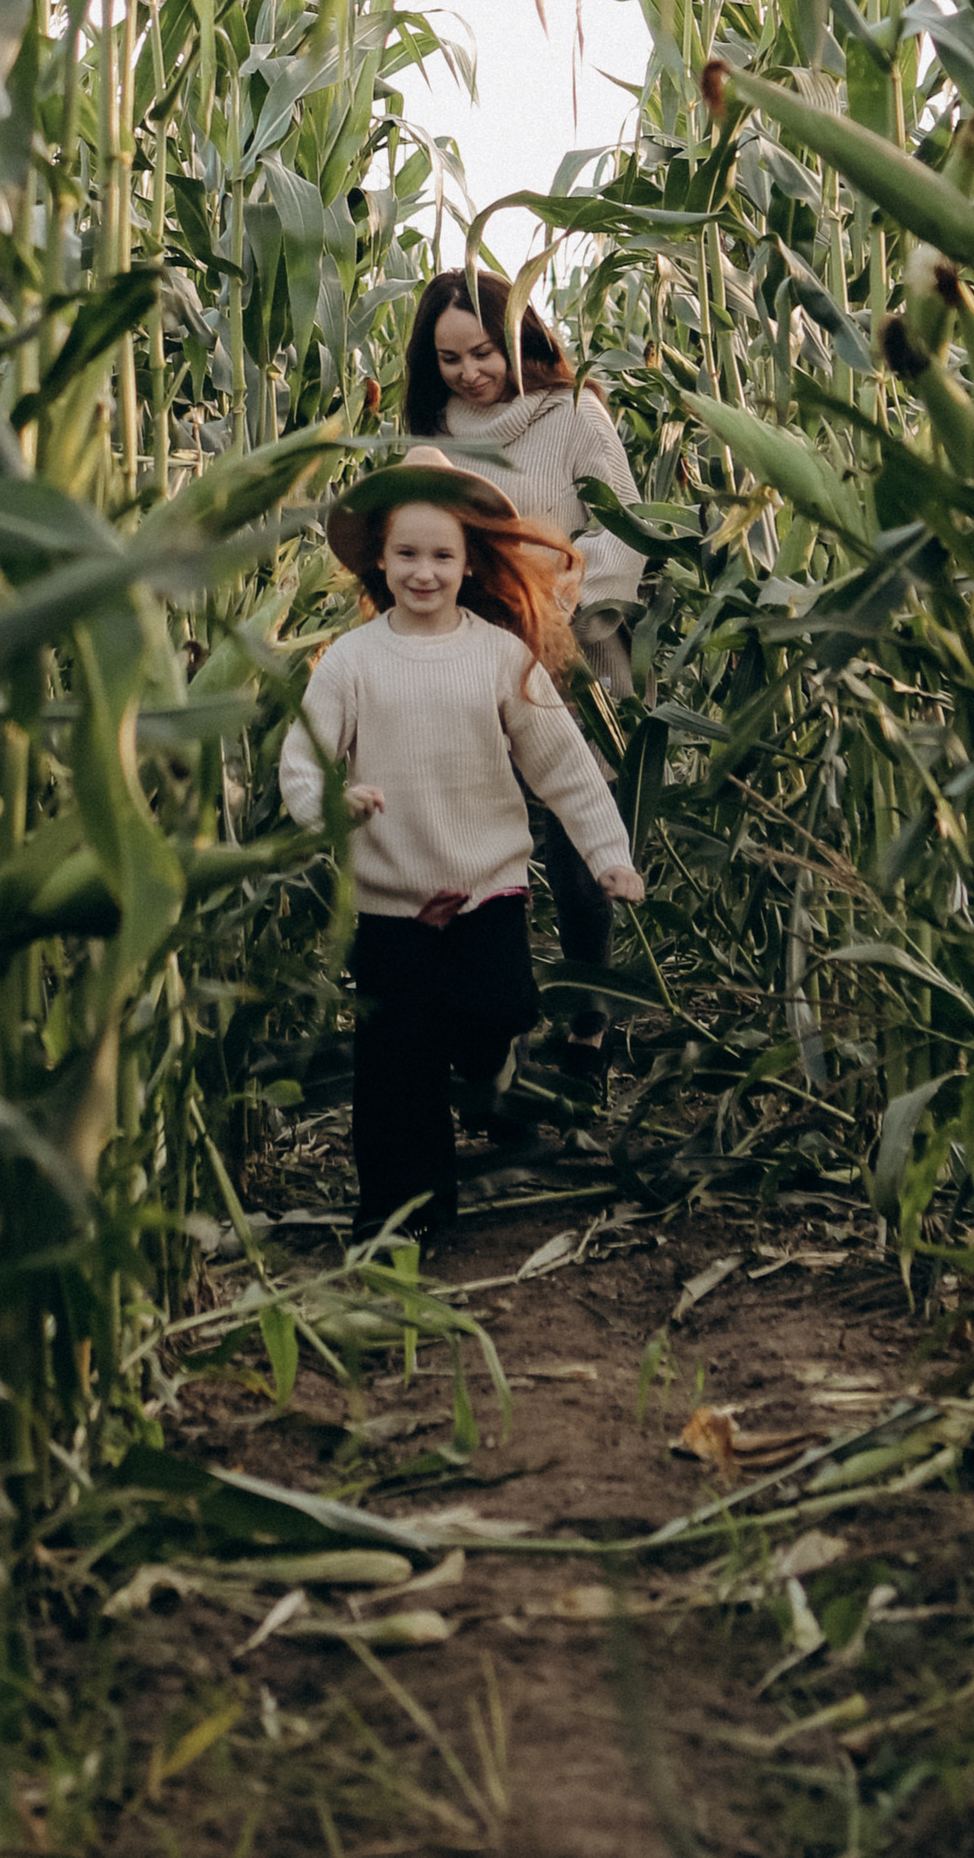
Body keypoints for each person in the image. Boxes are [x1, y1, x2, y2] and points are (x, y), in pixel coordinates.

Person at [279, 452, 645, 1244]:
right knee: (394, 1069)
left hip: (489, 886)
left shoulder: (500, 657)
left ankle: (490, 1070)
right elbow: (303, 758)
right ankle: (402, 1217)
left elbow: (564, 767)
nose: (423, 571)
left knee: (498, 1010)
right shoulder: (350, 662)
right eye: (407, 554)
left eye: (441, 555)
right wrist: (328, 810)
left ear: (469, 560)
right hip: (388, 897)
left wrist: (606, 853)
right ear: (378, 558)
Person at [400, 268, 645, 1083]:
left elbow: (626, 534)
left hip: (571, 660)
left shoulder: (571, 416)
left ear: (518, 338)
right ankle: (493, 1041)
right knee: (479, 853)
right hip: (468, 667)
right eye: (449, 358)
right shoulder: (432, 433)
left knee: (578, 854)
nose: (470, 373)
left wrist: (556, 596)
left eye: (483, 352)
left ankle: (587, 1024)